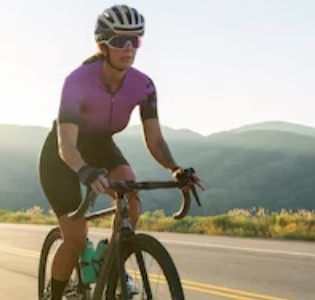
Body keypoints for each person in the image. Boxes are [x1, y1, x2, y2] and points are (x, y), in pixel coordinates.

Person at [38, 4, 205, 299]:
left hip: (102, 146)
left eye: (135, 40)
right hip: (63, 156)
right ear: (103, 44)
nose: (128, 48)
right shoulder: (77, 81)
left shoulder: (144, 85)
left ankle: (110, 257)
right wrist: (84, 171)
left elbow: (155, 140)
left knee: (131, 198)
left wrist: (175, 168)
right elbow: (67, 146)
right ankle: (56, 294)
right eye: (119, 41)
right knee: (75, 238)